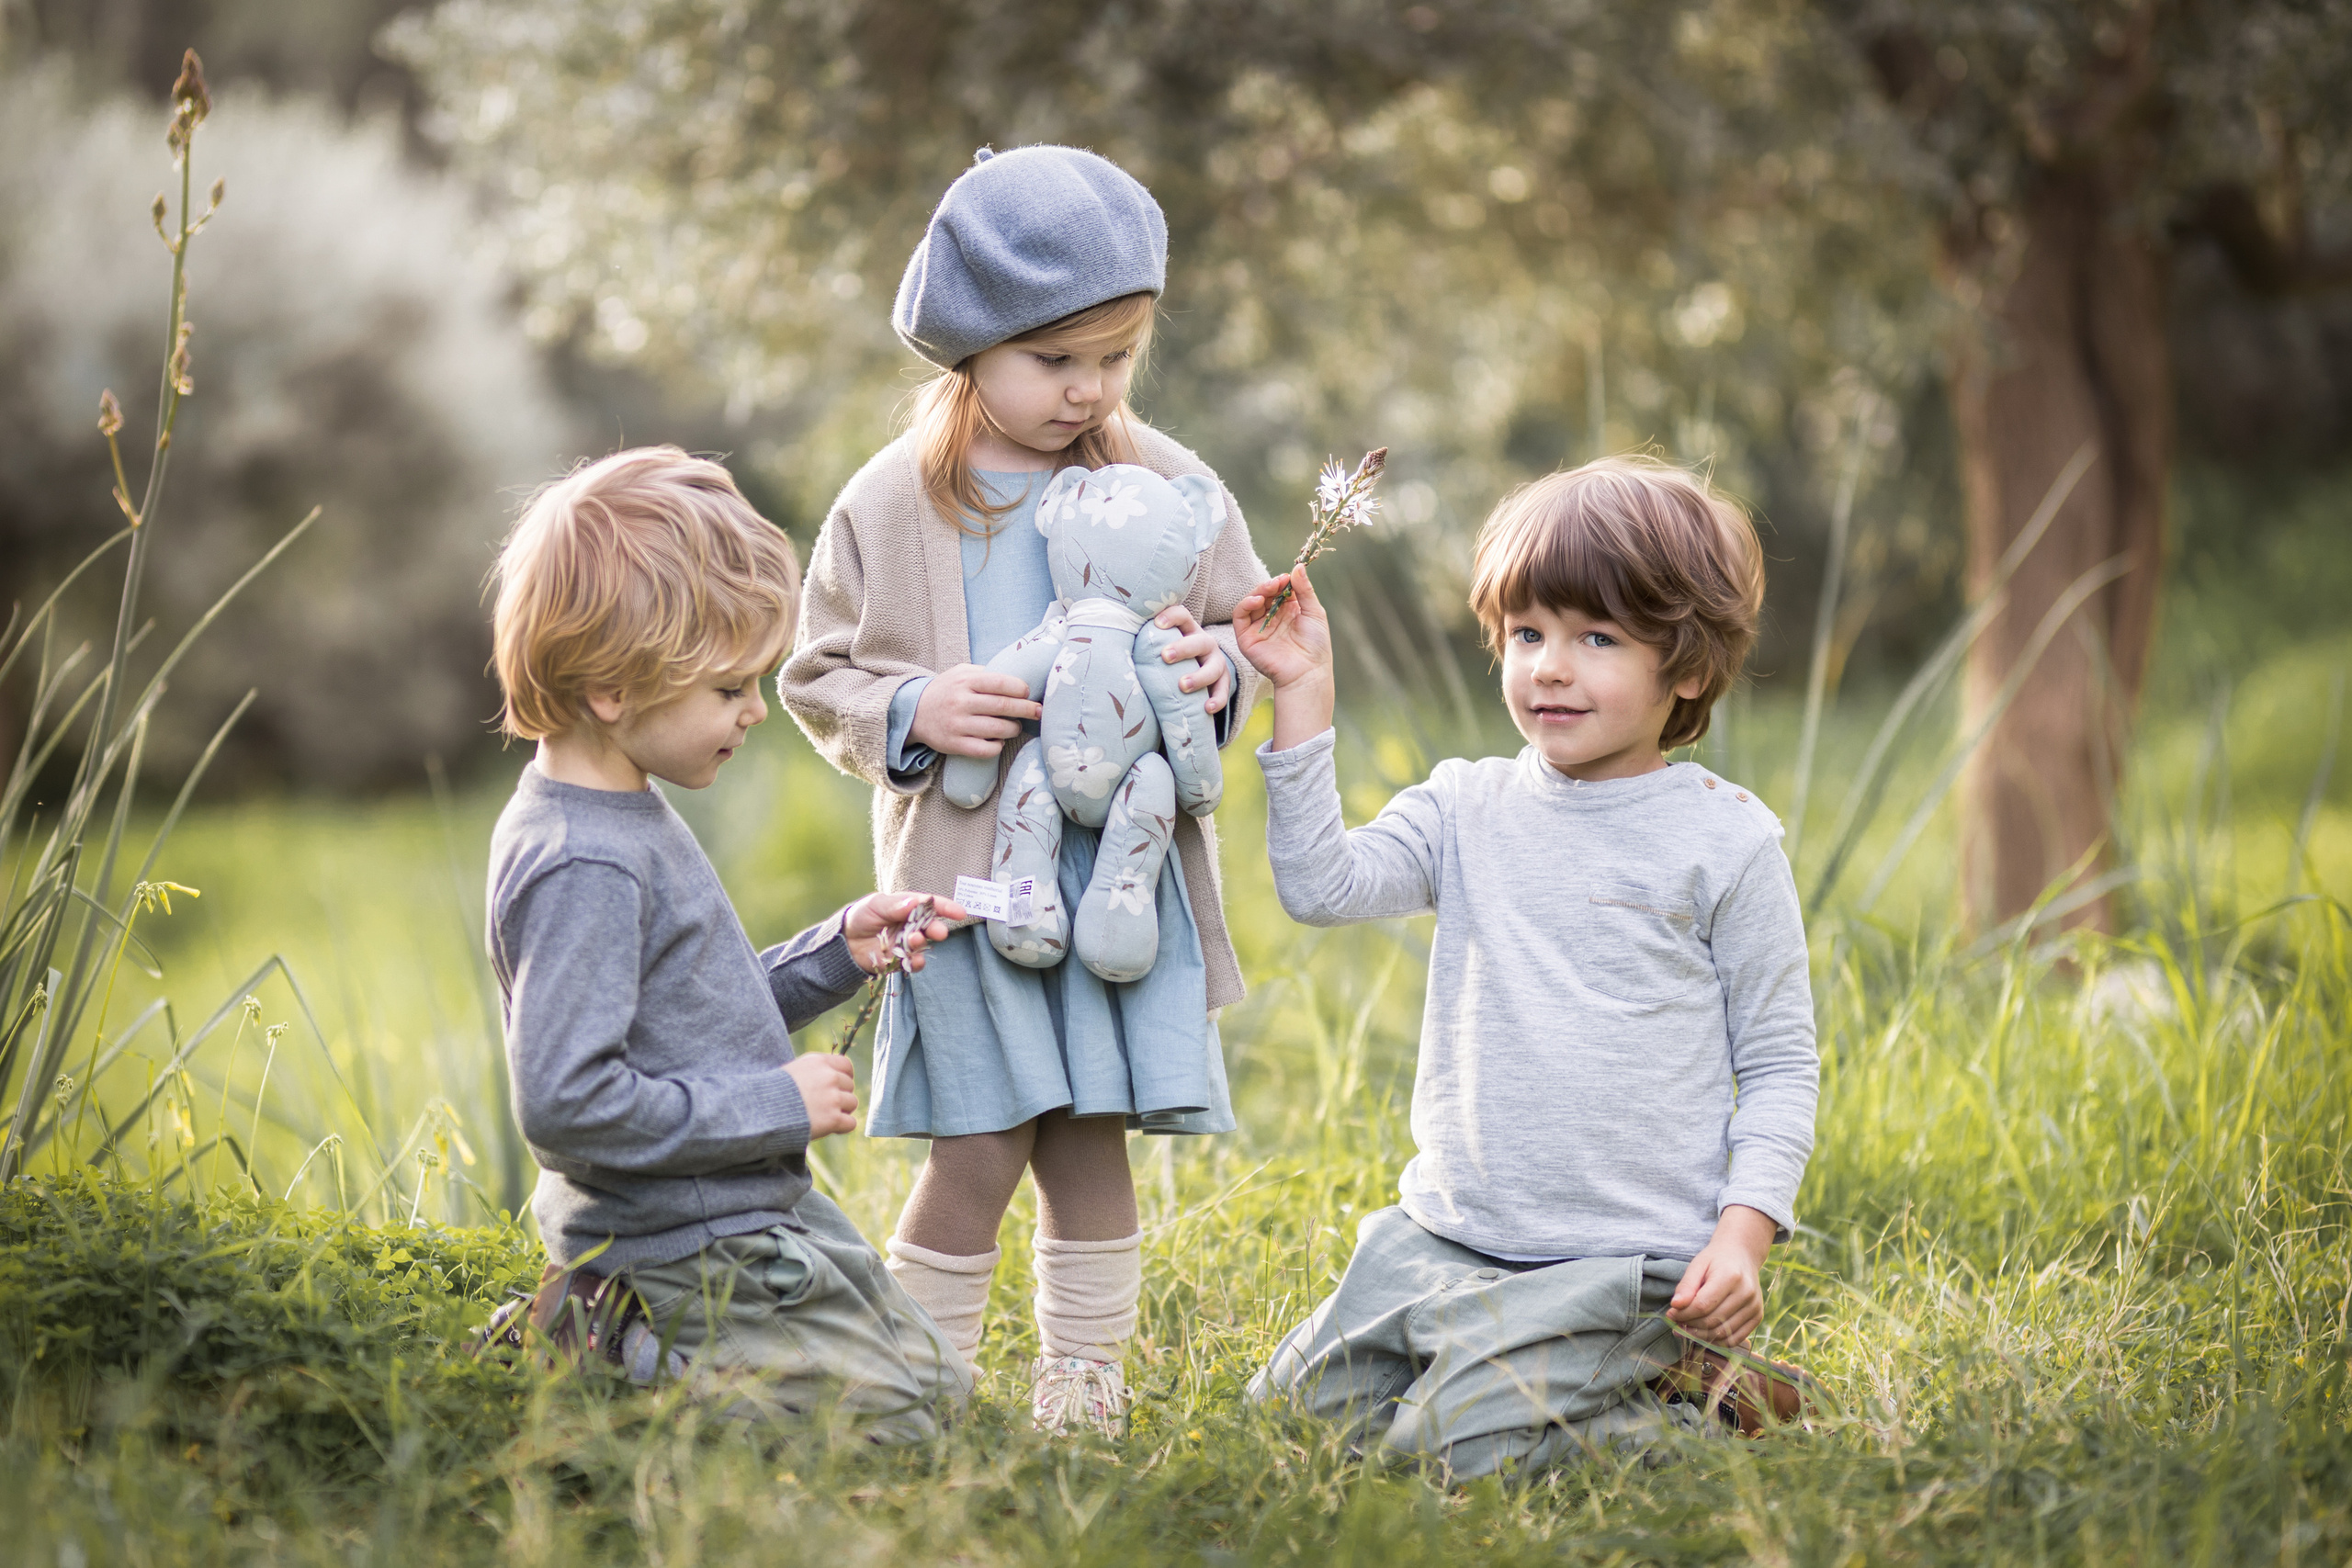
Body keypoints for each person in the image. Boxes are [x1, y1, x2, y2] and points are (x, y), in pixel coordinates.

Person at [778, 145, 1269, 1436]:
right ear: (970, 348)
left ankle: (1083, 1388)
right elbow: (818, 669)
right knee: (982, 1140)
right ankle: (909, 1382)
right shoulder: (892, 504)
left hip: (1114, 883)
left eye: (1116, 356)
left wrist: (1207, 668)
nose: (1090, 388)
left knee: (1088, 1135)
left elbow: (1242, 630)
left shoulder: (1162, 476)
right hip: (971, 887)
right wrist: (912, 707)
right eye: (1058, 360)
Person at [1233, 456, 1820, 1477]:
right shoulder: (1465, 807)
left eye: (1597, 638)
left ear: (1684, 668)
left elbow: (1777, 1064)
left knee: (1448, 1453)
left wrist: (1739, 1242)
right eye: (1527, 633)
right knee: (1288, 1420)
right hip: (1442, 1239)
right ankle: (1560, 1370)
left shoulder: (1724, 842)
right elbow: (1322, 886)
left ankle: (1695, 1403)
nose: (1549, 666)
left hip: (1617, 1264)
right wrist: (1303, 691)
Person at [486, 446, 971, 1438]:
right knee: (900, 1425)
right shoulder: (586, 863)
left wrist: (833, 953)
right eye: (729, 689)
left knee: (940, 1388)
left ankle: (628, 1338)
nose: (756, 711)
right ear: (615, 689)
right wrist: (774, 1103)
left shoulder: (621, 809)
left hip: (734, 1213)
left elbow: (683, 1017)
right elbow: (566, 1106)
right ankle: (612, 1355)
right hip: (677, 1244)